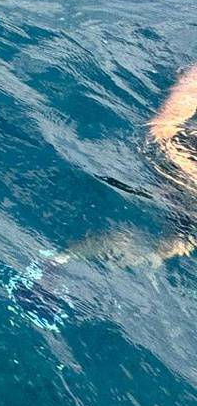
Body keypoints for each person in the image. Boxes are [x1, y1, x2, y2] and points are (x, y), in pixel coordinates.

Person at [12, 64, 197, 324]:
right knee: (170, 242)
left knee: (170, 247)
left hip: (185, 186)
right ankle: (52, 263)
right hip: (176, 165)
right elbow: (161, 130)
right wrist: (182, 173)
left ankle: (59, 261)